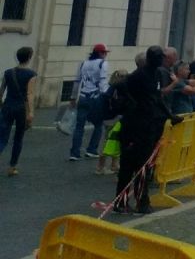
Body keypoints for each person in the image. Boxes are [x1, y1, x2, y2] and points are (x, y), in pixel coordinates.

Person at [117, 46, 181, 213]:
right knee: (130, 166)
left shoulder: (153, 74)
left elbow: (157, 97)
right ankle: (124, 202)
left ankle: (140, 202)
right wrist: (134, 105)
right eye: (158, 57)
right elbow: (128, 89)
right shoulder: (140, 76)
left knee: (142, 166)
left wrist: (170, 115)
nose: (160, 60)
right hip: (135, 126)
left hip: (146, 125)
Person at [0, 46, 38, 176]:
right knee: (18, 138)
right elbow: (30, 94)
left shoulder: (8, 72)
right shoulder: (31, 74)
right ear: (29, 58)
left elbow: (1, 91)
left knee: (2, 136)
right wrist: (31, 112)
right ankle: (12, 167)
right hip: (21, 109)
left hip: (7, 106)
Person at [70, 43, 111, 161]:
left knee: (79, 126)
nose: (105, 55)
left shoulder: (83, 63)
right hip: (95, 97)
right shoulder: (103, 64)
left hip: (82, 96)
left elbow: (77, 80)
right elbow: (103, 81)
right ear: (100, 53)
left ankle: (74, 152)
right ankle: (91, 149)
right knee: (98, 125)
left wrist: (73, 97)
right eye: (104, 53)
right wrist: (107, 96)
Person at [96, 70, 128, 178]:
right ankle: (101, 167)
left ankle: (113, 165)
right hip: (115, 117)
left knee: (114, 141)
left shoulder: (110, 87)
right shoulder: (117, 89)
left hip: (108, 117)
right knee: (109, 141)